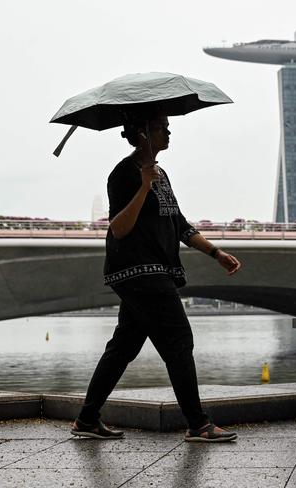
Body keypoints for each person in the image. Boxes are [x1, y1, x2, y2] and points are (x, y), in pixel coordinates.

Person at [71, 113, 241, 442]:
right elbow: (119, 227)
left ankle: (87, 419)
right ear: (143, 133)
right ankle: (198, 424)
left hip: (155, 270)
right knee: (178, 340)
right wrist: (144, 185)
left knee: (123, 347)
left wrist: (216, 253)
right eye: (162, 126)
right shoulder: (123, 173)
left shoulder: (162, 174)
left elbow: (178, 224)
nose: (169, 131)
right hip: (139, 271)